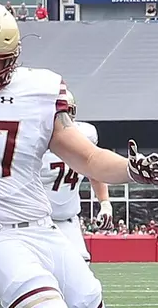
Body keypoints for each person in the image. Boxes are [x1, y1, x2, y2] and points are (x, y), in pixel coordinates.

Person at [0, 0, 158, 308]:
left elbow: (88, 158)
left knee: (89, 298)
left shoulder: (40, 90)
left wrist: (129, 169)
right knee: (42, 302)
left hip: (41, 227)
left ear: (11, 60)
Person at [42, 95, 111, 263]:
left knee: (84, 285)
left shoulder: (85, 135)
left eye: (68, 111)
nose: (64, 118)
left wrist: (105, 203)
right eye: (59, 112)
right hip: (36, 221)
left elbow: (94, 168)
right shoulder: (33, 138)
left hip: (68, 220)